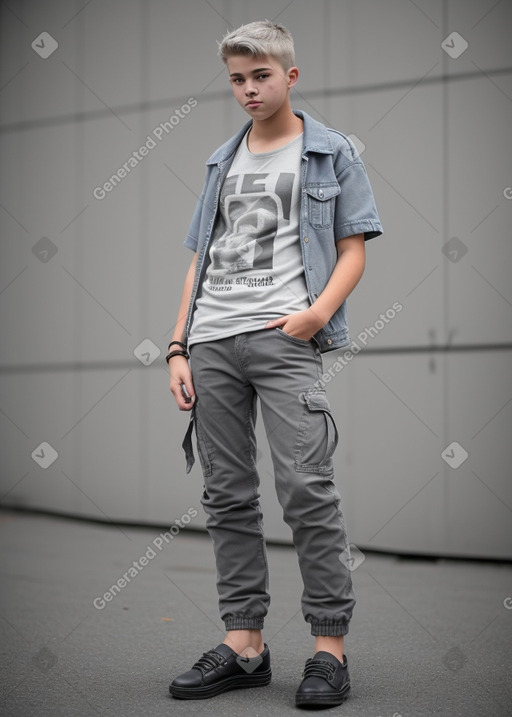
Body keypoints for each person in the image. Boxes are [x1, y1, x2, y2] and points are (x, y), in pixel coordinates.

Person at [167, 20, 383, 709]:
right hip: (213, 341)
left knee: (305, 487)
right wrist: (178, 344)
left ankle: (328, 648)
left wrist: (317, 314)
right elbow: (200, 257)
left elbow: (353, 247)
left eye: (260, 75)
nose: (248, 89)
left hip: (285, 336)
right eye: (236, 78)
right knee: (227, 497)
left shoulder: (331, 152)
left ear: (290, 76)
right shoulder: (219, 162)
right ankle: (245, 643)